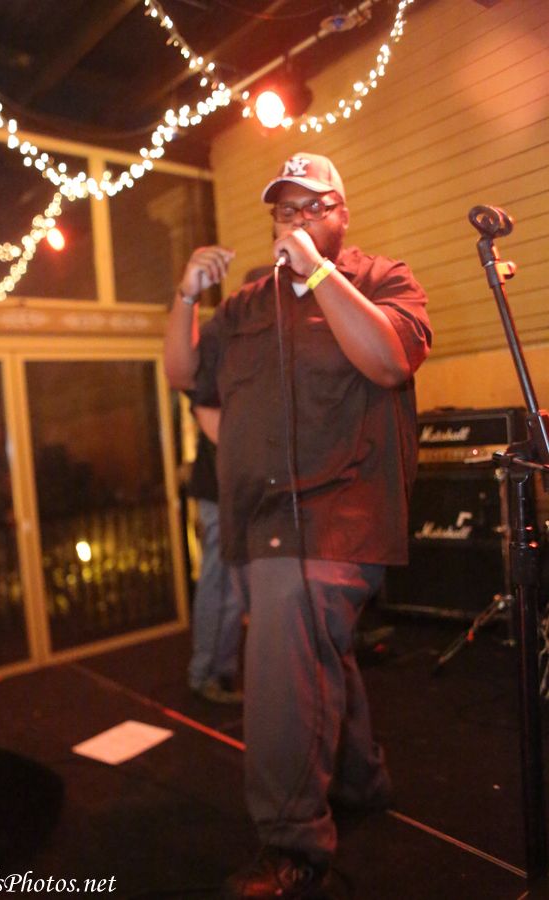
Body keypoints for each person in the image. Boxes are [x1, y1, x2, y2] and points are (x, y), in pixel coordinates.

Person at [164, 152, 432, 899]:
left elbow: (389, 362)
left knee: (284, 661)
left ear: (343, 212)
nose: (301, 219)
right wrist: (185, 297)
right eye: (288, 209)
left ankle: (293, 846)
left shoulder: (381, 278)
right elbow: (184, 375)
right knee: (313, 649)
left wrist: (318, 272)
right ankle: (360, 778)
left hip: (341, 512)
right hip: (262, 516)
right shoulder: (247, 305)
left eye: (316, 206)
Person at [186, 403, 244, 704]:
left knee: (231, 588)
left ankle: (219, 671)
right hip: (219, 490)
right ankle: (206, 674)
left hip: (227, 489)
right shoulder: (211, 380)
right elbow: (206, 410)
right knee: (220, 584)